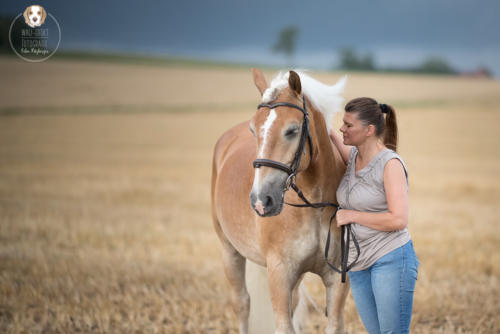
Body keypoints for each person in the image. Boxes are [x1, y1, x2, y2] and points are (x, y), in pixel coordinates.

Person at [329, 97, 420, 334]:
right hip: (358, 264)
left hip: (389, 259)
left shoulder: (390, 164)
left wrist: (352, 215)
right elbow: (329, 134)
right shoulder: (352, 157)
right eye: (342, 123)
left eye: (349, 125)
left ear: (369, 130)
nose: (342, 129)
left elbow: (398, 220)